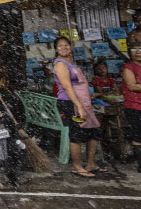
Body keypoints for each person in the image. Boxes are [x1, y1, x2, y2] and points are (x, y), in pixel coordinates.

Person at [52, 37, 104, 178]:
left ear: (71, 46)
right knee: (77, 133)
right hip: (71, 103)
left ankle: (91, 163)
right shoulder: (60, 64)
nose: (64, 48)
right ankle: (77, 166)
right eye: (60, 46)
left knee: (94, 131)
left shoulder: (71, 63)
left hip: (82, 102)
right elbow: (67, 87)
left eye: (66, 45)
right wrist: (79, 106)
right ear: (56, 49)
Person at [121, 38, 141, 173]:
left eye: (140, 49)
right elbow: (132, 85)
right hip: (134, 105)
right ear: (130, 53)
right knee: (139, 134)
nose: (137, 52)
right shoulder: (128, 67)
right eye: (134, 50)